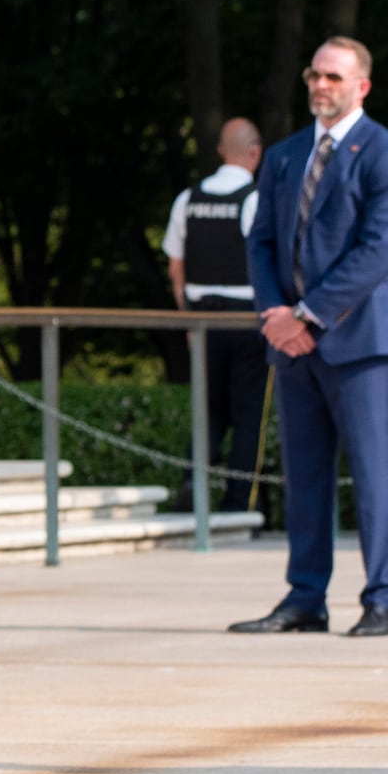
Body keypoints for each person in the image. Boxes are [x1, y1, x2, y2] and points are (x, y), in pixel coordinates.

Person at [232, 36, 388, 640]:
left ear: (362, 85)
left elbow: (378, 253)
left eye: (334, 77)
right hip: (290, 345)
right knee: (305, 476)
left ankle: (383, 599)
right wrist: (274, 316)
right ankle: (306, 597)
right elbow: (260, 242)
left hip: (359, 342)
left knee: (371, 474)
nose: (321, 86)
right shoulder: (285, 157)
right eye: (315, 74)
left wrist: (306, 316)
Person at [164, 117, 270, 518]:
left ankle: (196, 490)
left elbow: (177, 266)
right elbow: (266, 262)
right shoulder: (255, 199)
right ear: (255, 152)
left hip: (200, 320)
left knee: (205, 409)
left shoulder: (187, 199)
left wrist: (187, 317)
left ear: (221, 151)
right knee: (247, 415)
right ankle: (238, 503)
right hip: (246, 319)